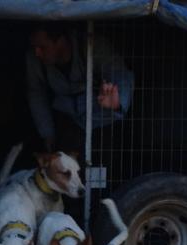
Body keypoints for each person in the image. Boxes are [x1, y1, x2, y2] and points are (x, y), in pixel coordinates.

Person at [26, 25, 134, 154]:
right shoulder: (34, 59)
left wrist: (118, 103)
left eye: (42, 47)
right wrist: (47, 133)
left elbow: (118, 73)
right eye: (34, 48)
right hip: (66, 117)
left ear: (60, 41)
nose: (37, 53)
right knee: (66, 166)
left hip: (99, 114)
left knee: (101, 165)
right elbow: (37, 94)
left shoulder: (91, 44)